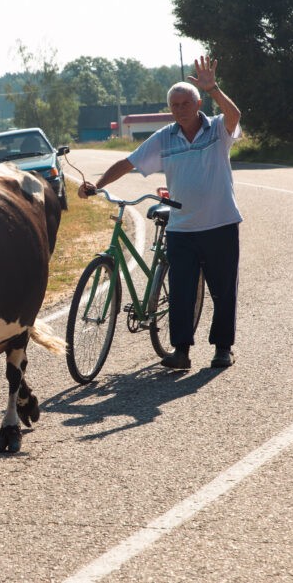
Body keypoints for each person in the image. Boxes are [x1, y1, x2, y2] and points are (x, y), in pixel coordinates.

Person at [78, 55, 242, 370]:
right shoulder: (165, 137)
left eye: (185, 103)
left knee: (223, 291)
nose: (179, 109)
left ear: (198, 104)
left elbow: (234, 114)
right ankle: (181, 351)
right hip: (181, 229)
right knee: (181, 292)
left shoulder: (218, 129)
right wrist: (97, 185)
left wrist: (214, 89)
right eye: (174, 105)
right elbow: (128, 162)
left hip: (220, 224)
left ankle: (223, 348)